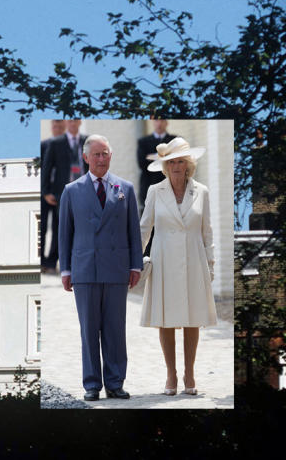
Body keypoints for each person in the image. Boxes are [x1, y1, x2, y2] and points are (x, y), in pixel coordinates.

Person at [58, 134, 142, 401]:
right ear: (85, 158)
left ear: (111, 155)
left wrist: (136, 265)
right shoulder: (71, 191)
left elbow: (133, 231)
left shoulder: (125, 189)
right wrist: (66, 270)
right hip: (84, 270)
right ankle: (92, 384)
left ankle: (115, 383)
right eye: (96, 154)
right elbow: (64, 234)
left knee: (115, 330)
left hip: (116, 270)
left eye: (105, 153)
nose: (101, 158)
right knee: (89, 330)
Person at [138, 137, 217, 396]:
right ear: (165, 165)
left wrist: (211, 264)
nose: (175, 165)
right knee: (166, 319)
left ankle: (190, 373)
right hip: (163, 261)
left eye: (180, 161)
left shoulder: (202, 192)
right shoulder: (155, 191)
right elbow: (144, 228)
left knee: (193, 318)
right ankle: (171, 374)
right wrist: (134, 261)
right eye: (171, 161)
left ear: (188, 165)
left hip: (194, 261)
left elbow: (207, 231)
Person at [41, 119, 87, 272]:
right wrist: (45, 191)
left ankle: (72, 261)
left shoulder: (87, 141)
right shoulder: (54, 143)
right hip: (59, 192)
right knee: (59, 227)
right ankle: (52, 262)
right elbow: (46, 168)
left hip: (82, 191)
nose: (72, 123)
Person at [40, 120, 66, 271]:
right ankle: (41, 261)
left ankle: (51, 263)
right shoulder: (44, 145)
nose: (58, 130)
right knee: (41, 227)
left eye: (61, 127)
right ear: (52, 128)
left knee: (58, 228)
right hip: (44, 192)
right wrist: (45, 192)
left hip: (60, 192)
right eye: (55, 127)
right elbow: (43, 170)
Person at [136, 119, 176, 213]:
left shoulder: (174, 141)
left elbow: (177, 163)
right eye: (156, 120)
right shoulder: (143, 142)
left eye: (162, 120)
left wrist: (153, 158)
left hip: (170, 187)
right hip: (149, 185)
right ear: (153, 122)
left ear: (167, 122)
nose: (159, 123)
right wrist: (165, 158)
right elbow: (142, 164)